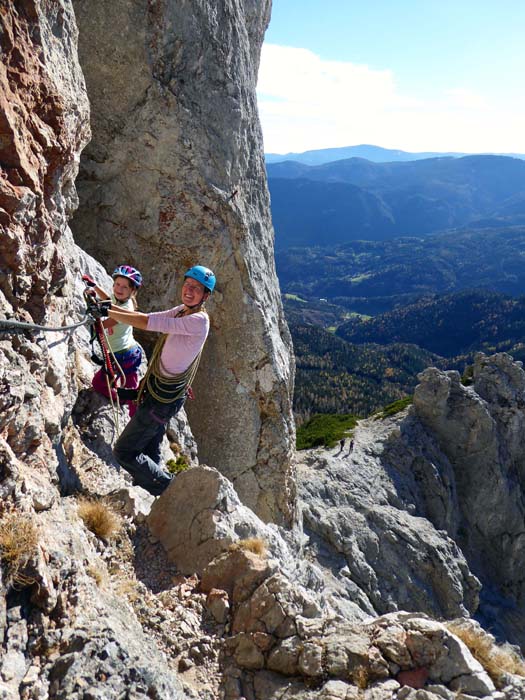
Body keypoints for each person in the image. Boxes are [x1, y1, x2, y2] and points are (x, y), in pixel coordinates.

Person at [108, 265, 216, 496]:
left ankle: (169, 489)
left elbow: (150, 324)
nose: (189, 290)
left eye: (196, 289)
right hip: (159, 392)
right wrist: (111, 310)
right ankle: (150, 494)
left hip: (163, 399)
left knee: (124, 452)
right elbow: (149, 318)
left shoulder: (198, 321)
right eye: (187, 285)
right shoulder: (182, 311)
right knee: (150, 447)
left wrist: (108, 312)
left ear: (205, 296)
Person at [82, 265, 144, 417]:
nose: (119, 289)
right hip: (121, 353)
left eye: (124, 287)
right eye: (117, 284)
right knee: (124, 383)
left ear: (132, 291)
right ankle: (124, 399)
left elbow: (106, 323)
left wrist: (92, 317)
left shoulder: (127, 308)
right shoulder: (118, 299)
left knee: (126, 387)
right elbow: (108, 300)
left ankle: (132, 411)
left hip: (124, 354)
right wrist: (94, 286)